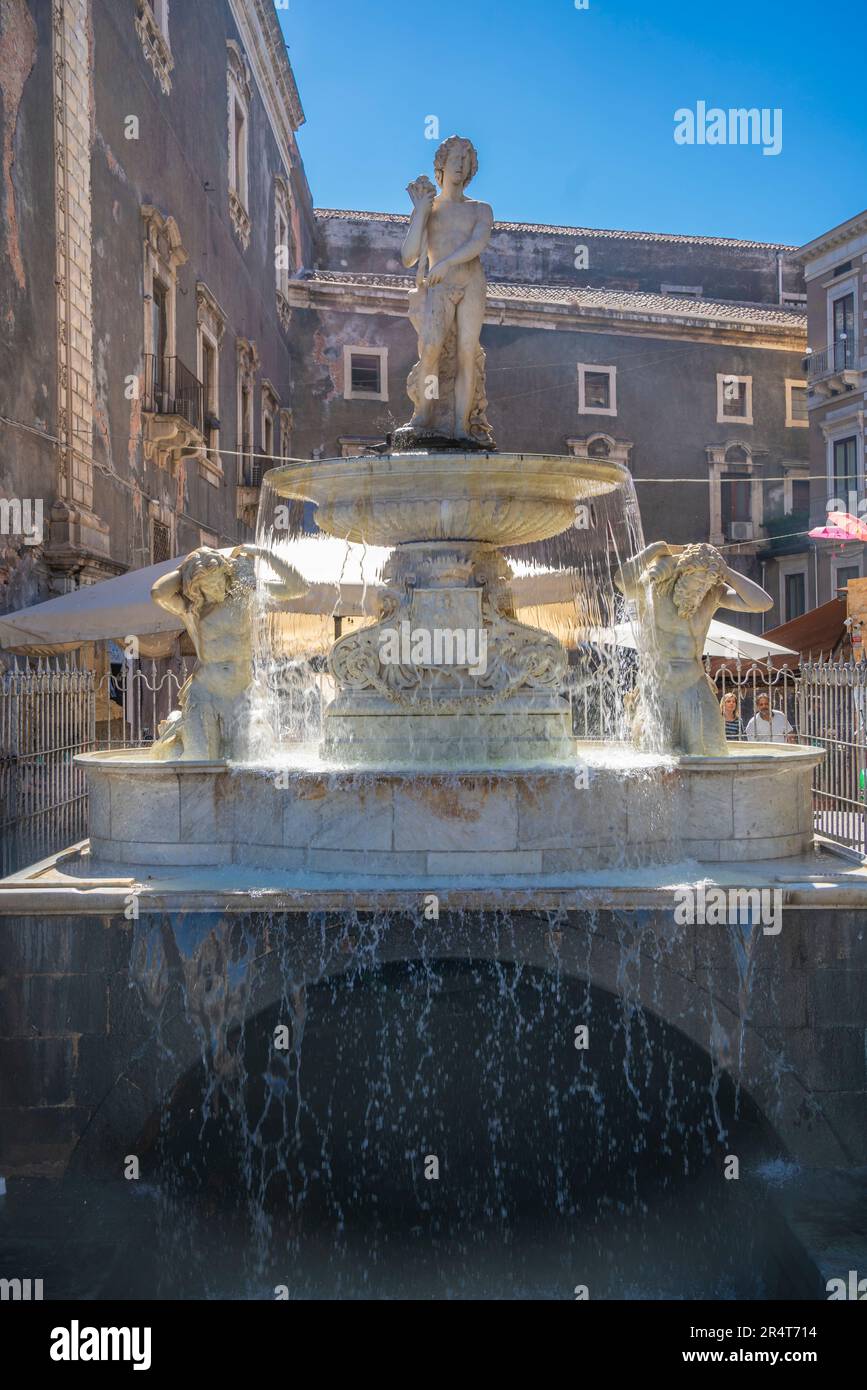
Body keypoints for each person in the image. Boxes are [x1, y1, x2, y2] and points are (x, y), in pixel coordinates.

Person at [614, 541, 773, 756]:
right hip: (660, 688)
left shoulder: (712, 593)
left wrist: (724, 570)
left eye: (705, 587)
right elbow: (621, 580)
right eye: (697, 583)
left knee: (712, 753)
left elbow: (763, 603)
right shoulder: (655, 586)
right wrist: (656, 549)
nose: (700, 592)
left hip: (695, 686)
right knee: (657, 761)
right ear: (683, 573)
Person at [150, 544, 305, 760]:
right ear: (197, 589)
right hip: (206, 691)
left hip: (242, 693)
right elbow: (158, 592)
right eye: (207, 586)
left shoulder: (245, 595)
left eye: (218, 581)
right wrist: (188, 568)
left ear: (227, 574)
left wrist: (264, 554)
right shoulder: (192, 609)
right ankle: (181, 725)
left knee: (249, 762)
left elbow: (299, 587)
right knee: (200, 757)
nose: (215, 589)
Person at [400, 136, 494, 444]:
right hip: (438, 287)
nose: (460, 165)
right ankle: (423, 416)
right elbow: (409, 256)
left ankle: (460, 428)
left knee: (467, 353)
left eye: (465, 161)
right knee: (431, 349)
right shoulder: (430, 207)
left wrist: (445, 264)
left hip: (470, 282)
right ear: (442, 164)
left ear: (471, 169)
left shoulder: (481, 209)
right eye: (454, 159)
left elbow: (476, 244)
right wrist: (421, 212)